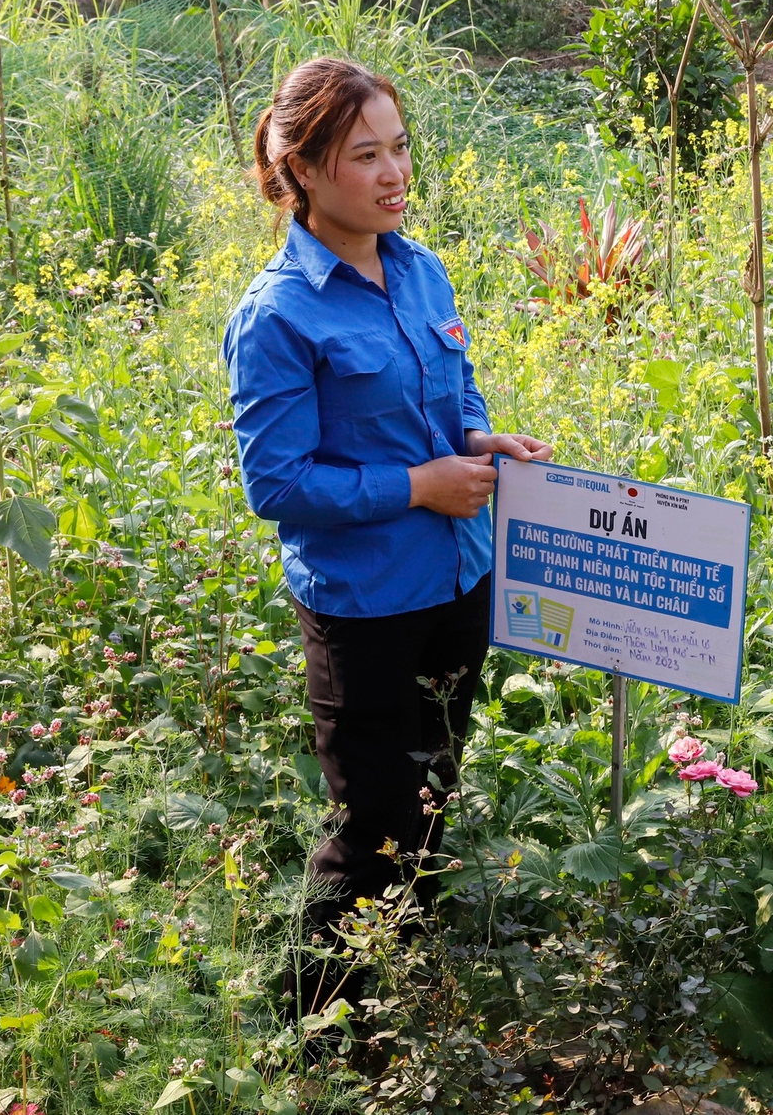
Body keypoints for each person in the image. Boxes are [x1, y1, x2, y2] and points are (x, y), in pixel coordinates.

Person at [221, 57, 552, 1020]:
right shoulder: (279, 315)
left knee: (434, 797)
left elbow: (456, 389)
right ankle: (316, 1024)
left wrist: (480, 438)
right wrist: (420, 485)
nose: (394, 173)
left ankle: (407, 988)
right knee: (374, 821)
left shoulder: (420, 268)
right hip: (363, 611)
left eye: (399, 147)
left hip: (458, 582)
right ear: (302, 170)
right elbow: (276, 483)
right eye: (365, 154)